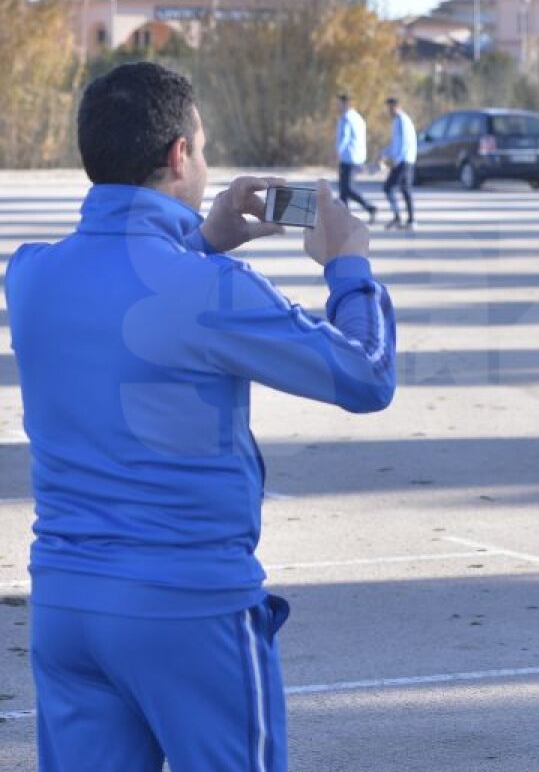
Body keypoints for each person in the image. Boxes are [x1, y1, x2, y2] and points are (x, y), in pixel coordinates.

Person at [6, 62, 396, 771]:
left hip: (66, 608)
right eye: (203, 146)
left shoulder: (29, 274)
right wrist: (349, 266)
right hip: (187, 611)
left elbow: (127, 299)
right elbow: (366, 375)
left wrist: (200, 238)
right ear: (179, 155)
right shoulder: (212, 289)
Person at [335, 92, 377, 220]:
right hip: (357, 157)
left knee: (346, 188)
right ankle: (343, 217)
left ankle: (369, 207)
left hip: (348, 157)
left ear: (345, 103)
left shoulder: (346, 118)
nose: (338, 106)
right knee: (343, 189)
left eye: (339, 103)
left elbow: (345, 138)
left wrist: (337, 152)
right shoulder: (358, 118)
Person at [380, 96, 417, 230]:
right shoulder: (396, 121)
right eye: (388, 108)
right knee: (404, 189)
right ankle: (409, 220)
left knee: (389, 187)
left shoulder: (402, 120)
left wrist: (396, 160)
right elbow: (395, 143)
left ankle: (401, 218)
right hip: (400, 160)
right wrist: (383, 153)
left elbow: (406, 143)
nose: (389, 111)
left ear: (397, 106)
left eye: (391, 107)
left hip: (404, 160)